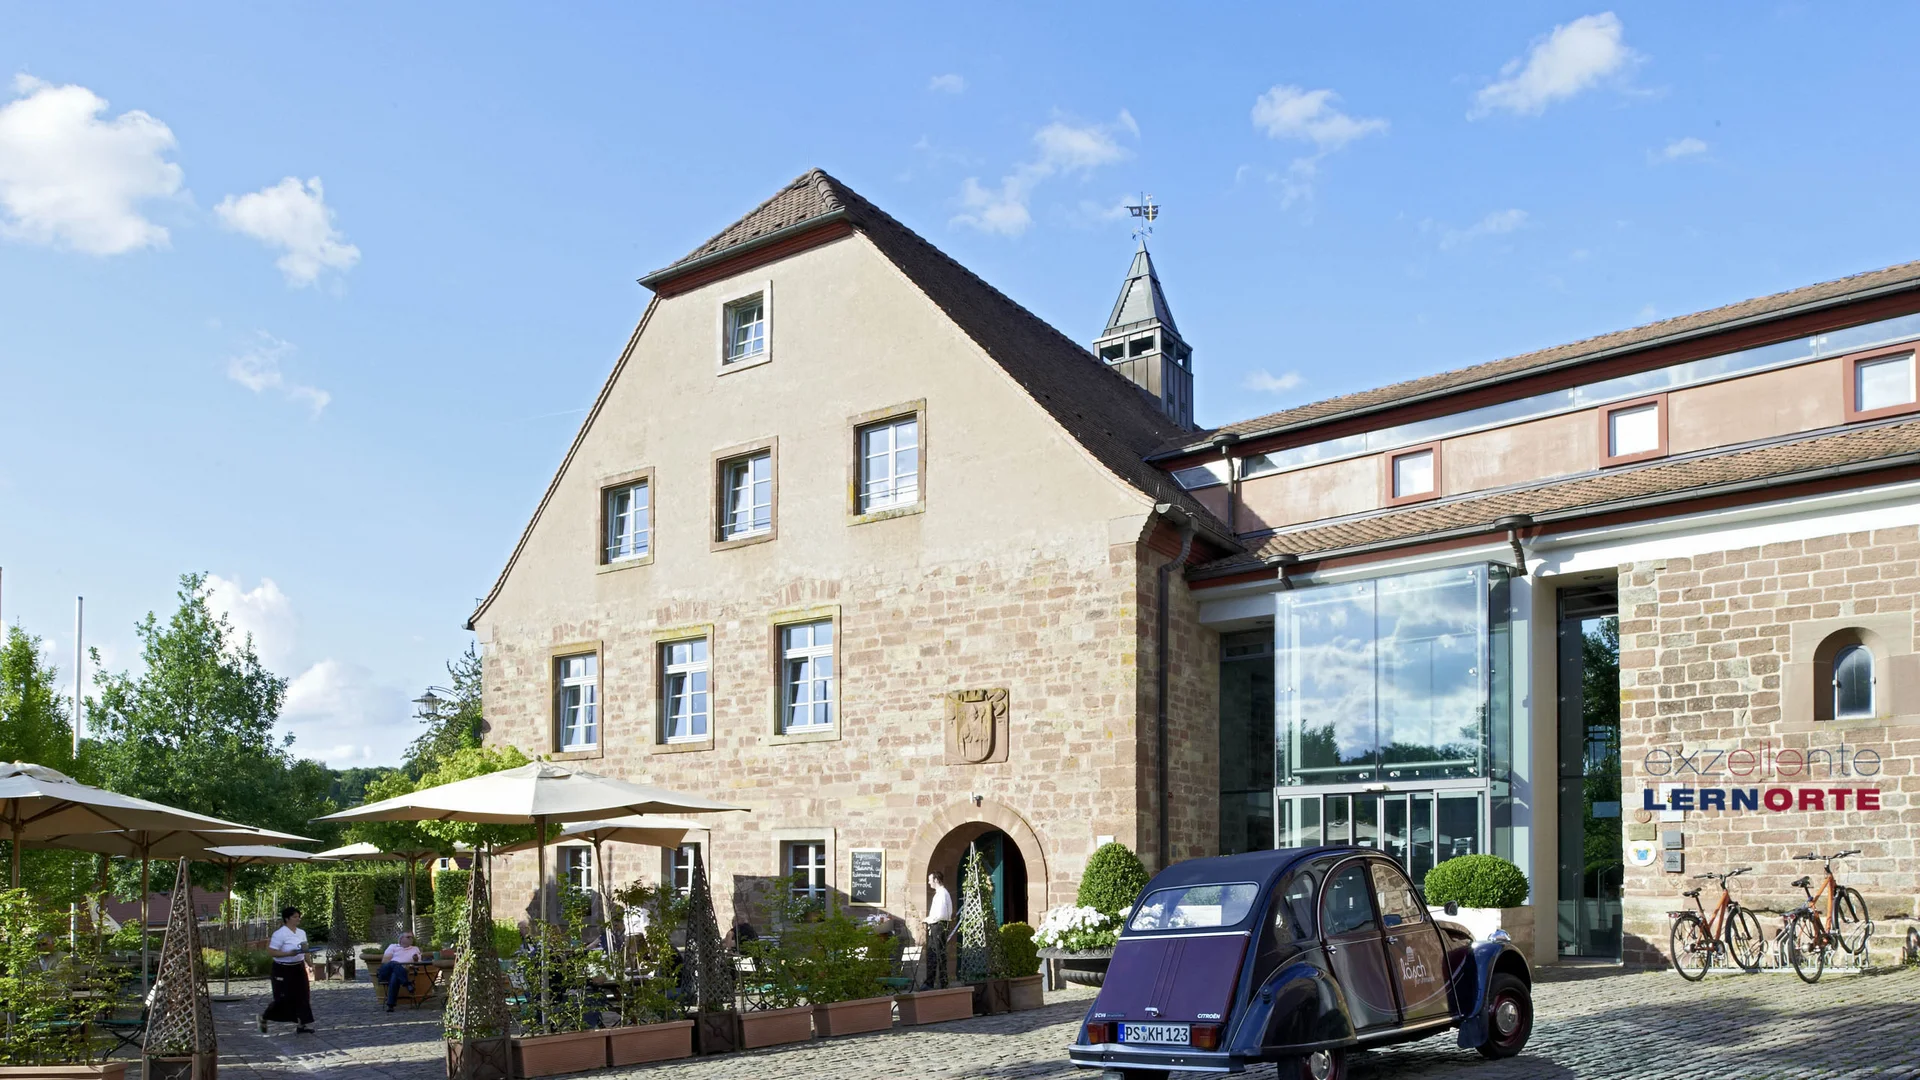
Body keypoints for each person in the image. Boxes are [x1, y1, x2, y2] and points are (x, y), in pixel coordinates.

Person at [260, 906, 315, 1034]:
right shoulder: (280, 934)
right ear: (287, 918)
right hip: (282, 968)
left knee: (303, 995)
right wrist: (288, 954)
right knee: (283, 997)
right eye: (295, 917)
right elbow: (272, 952)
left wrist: (310, 964)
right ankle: (264, 1017)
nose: (298, 919)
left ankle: (303, 1024)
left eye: (298, 916)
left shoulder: (301, 933)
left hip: (298, 967)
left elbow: (305, 949)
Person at [376, 931, 425, 1011]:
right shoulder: (393, 947)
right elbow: (385, 962)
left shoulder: (415, 949)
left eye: (412, 937)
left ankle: (390, 1005)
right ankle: (407, 984)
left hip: (399, 973)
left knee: (395, 977)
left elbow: (417, 965)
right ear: (401, 939)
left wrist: (415, 960)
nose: (411, 939)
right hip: (386, 971)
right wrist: (398, 965)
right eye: (408, 937)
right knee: (394, 964)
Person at [922, 871, 954, 990]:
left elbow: (941, 914)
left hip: (938, 926)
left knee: (937, 954)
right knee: (933, 954)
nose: (929, 882)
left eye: (930, 880)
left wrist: (928, 919)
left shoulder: (942, 894)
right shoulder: (941, 893)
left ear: (936, 880)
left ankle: (939, 983)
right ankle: (933, 982)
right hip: (937, 925)